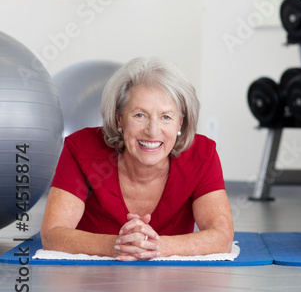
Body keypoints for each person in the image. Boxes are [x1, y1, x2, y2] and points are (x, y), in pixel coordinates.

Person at [41, 58, 233, 260]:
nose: (152, 131)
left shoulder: (202, 154)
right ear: (119, 119)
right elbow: (52, 234)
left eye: (166, 117)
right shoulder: (80, 149)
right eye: (140, 115)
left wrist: (158, 246)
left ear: (180, 124)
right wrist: (115, 245)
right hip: (88, 281)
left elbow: (222, 237)